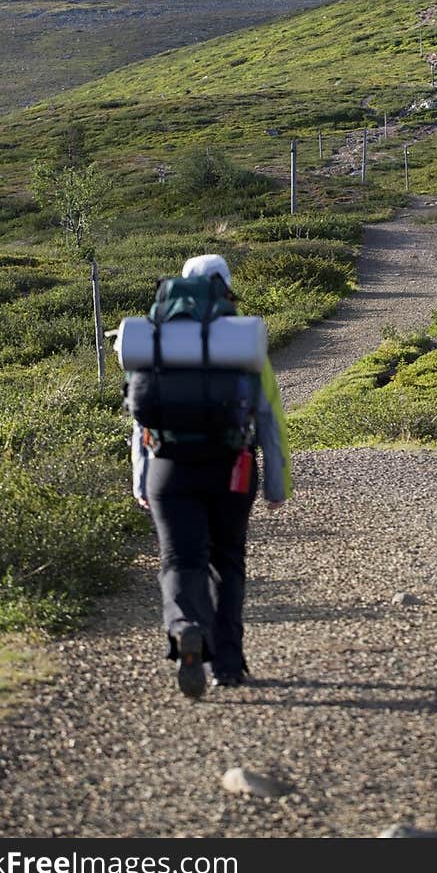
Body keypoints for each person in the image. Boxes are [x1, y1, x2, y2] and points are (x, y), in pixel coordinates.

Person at [130, 252, 291, 698]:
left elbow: (139, 419)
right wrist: (277, 484)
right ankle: (229, 666)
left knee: (180, 560)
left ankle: (185, 628)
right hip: (230, 466)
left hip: (167, 466)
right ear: (225, 287)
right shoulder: (241, 341)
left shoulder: (155, 337)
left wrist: (141, 479)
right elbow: (269, 418)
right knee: (227, 561)